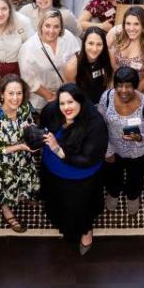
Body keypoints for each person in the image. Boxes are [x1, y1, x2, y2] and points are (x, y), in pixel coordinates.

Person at [38, 84, 108, 253]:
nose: (66, 108)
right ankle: (65, 225)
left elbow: (87, 159)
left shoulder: (95, 124)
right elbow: (43, 129)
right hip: (53, 174)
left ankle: (86, 231)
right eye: (62, 103)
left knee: (80, 208)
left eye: (71, 102)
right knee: (60, 204)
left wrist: (58, 150)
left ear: (80, 101)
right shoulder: (51, 111)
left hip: (81, 180)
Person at [98, 66, 144, 217]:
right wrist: (108, 150)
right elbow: (99, 125)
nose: (123, 90)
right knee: (112, 175)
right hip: (114, 149)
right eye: (119, 85)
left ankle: (133, 196)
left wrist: (140, 137)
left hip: (139, 152)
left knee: (135, 177)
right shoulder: (106, 98)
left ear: (135, 86)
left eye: (128, 86)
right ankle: (113, 193)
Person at [0, 74, 40, 233]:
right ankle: (6, 209)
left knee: (25, 176)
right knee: (5, 186)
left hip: (23, 157)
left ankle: (23, 194)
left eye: (19, 93)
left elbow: (29, 124)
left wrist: (35, 137)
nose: (15, 98)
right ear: (2, 94)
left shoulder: (25, 107)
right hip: (3, 163)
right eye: (11, 93)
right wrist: (20, 147)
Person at [18, 9, 81, 109]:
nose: (51, 31)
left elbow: (76, 59)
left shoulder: (68, 37)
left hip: (67, 95)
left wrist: (67, 89)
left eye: (56, 26)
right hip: (42, 102)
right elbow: (28, 80)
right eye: (47, 26)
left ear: (61, 28)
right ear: (41, 25)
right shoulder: (28, 48)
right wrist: (49, 96)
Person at [106, 5, 144, 93]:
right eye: (128, 24)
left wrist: (129, 93)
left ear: (143, 25)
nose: (131, 28)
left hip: (138, 91)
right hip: (115, 88)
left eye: (136, 24)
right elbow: (110, 66)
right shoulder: (116, 37)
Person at [65, 26, 114, 101]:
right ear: (84, 43)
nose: (94, 49)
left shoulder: (109, 56)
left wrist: (108, 98)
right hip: (85, 104)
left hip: (104, 100)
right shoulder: (72, 66)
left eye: (99, 44)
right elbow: (72, 94)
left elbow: (112, 78)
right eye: (90, 43)